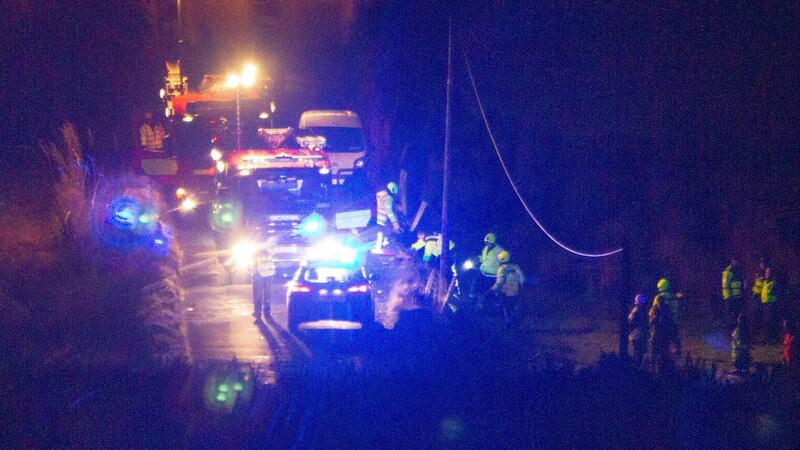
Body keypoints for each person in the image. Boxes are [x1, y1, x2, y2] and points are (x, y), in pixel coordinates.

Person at [488, 250, 524, 323]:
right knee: (514, 305)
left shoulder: (502, 269)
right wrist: (521, 287)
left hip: (505, 292)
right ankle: (516, 319)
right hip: (516, 291)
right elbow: (521, 278)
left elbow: (499, 282)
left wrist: (492, 289)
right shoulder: (515, 267)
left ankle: (507, 321)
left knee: (506, 307)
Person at [470, 233, 505, 305]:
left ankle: (488, 304)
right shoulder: (486, 249)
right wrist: (478, 258)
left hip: (492, 275)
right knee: (475, 285)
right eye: (485, 242)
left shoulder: (500, 251)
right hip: (483, 272)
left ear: (493, 242)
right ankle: (474, 301)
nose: (486, 244)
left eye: (488, 243)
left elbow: (504, 262)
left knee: (486, 291)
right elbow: (484, 258)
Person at [651, 278, 681, 355]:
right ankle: (675, 352)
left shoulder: (659, 297)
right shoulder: (673, 296)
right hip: (674, 321)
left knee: (662, 341)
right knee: (674, 338)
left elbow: (653, 311)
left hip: (663, 323)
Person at [649, 291, 675, 374]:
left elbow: (670, 322)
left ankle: (663, 370)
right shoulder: (654, 309)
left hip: (664, 335)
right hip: (656, 334)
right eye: (658, 302)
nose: (659, 304)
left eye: (661, 302)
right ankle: (652, 369)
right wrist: (653, 320)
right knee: (654, 353)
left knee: (663, 353)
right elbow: (649, 322)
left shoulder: (666, 310)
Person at [252, 247, 275, 321]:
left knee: (259, 294)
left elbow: (253, 262)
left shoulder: (257, 248)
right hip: (267, 274)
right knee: (266, 294)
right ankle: (266, 312)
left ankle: (259, 312)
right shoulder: (268, 246)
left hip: (260, 274)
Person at [721, 257, 745, 328]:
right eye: (735, 261)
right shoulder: (728, 271)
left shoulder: (739, 270)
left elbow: (741, 282)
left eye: (737, 261)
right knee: (730, 315)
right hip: (730, 298)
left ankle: (735, 330)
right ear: (732, 261)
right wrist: (728, 297)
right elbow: (725, 286)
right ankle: (729, 331)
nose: (737, 262)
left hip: (738, 297)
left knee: (736, 315)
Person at [760, 266, 781, 344]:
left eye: (768, 272)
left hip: (771, 304)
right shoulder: (766, 281)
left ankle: (772, 339)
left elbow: (776, 293)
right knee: (766, 322)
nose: (766, 274)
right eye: (766, 272)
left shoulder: (774, 282)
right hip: (765, 304)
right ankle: (767, 338)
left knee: (770, 322)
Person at [628, 294, 649, 368]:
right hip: (643, 332)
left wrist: (629, 332)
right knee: (640, 351)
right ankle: (639, 366)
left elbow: (630, 321)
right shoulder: (645, 310)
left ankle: (636, 367)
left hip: (636, 332)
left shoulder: (635, 310)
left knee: (637, 351)